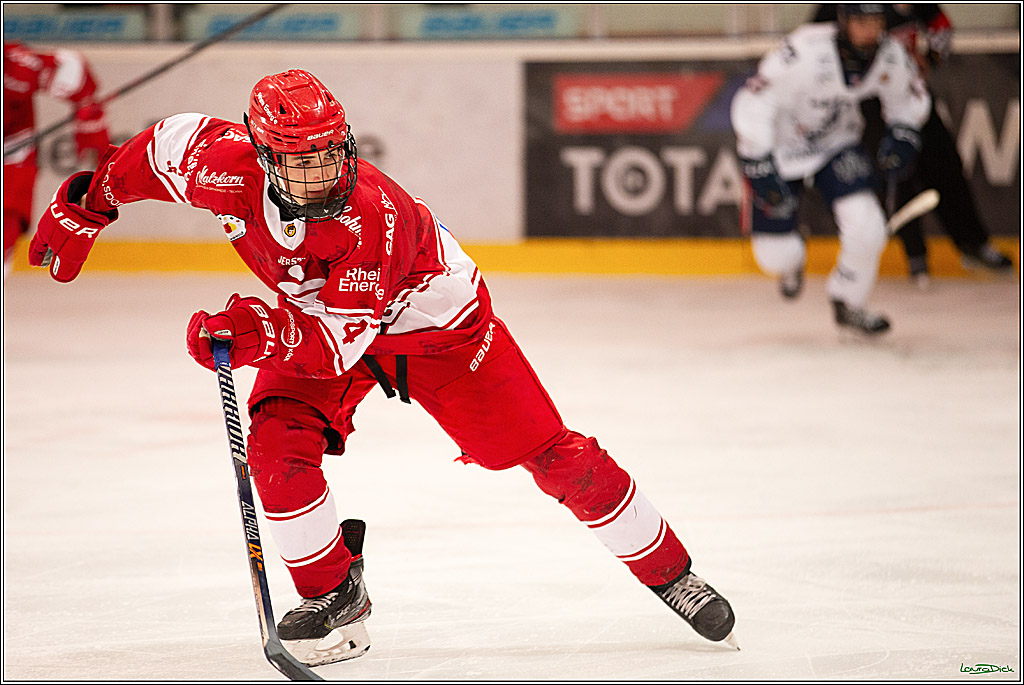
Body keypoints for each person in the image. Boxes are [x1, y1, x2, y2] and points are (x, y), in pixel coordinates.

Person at [28, 69, 738, 667]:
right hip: (326, 318)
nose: (324, 173)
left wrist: (252, 328)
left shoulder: (370, 217)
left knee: (552, 456)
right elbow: (153, 152)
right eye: (302, 163)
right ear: (264, 157)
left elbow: (331, 347)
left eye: (330, 155)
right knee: (276, 445)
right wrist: (90, 204)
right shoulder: (220, 161)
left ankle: (673, 573)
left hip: (439, 333)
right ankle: (336, 593)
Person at [731, 3, 931, 334]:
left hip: (836, 144)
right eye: (861, 21)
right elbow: (755, 100)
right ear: (843, 21)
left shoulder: (890, 55)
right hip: (780, 149)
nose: (870, 30)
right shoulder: (804, 50)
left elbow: (907, 101)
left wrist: (904, 134)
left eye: (877, 21)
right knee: (773, 258)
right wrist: (756, 159)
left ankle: (848, 303)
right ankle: (793, 262)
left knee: (868, 227)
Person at [812, 4, 1014, 289]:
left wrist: (930, 58)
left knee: (945, 165)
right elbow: (810, 49)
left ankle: (973, 244)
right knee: (895, 171)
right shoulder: (833, 9)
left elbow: (941, 26)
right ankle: (916, 255)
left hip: (906, 90)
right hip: (863, 102)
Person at [3, 41, 109, 276]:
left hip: (12, 153)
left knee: (6, 224)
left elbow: (72, 69)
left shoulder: (15, 66)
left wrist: (89, 118)